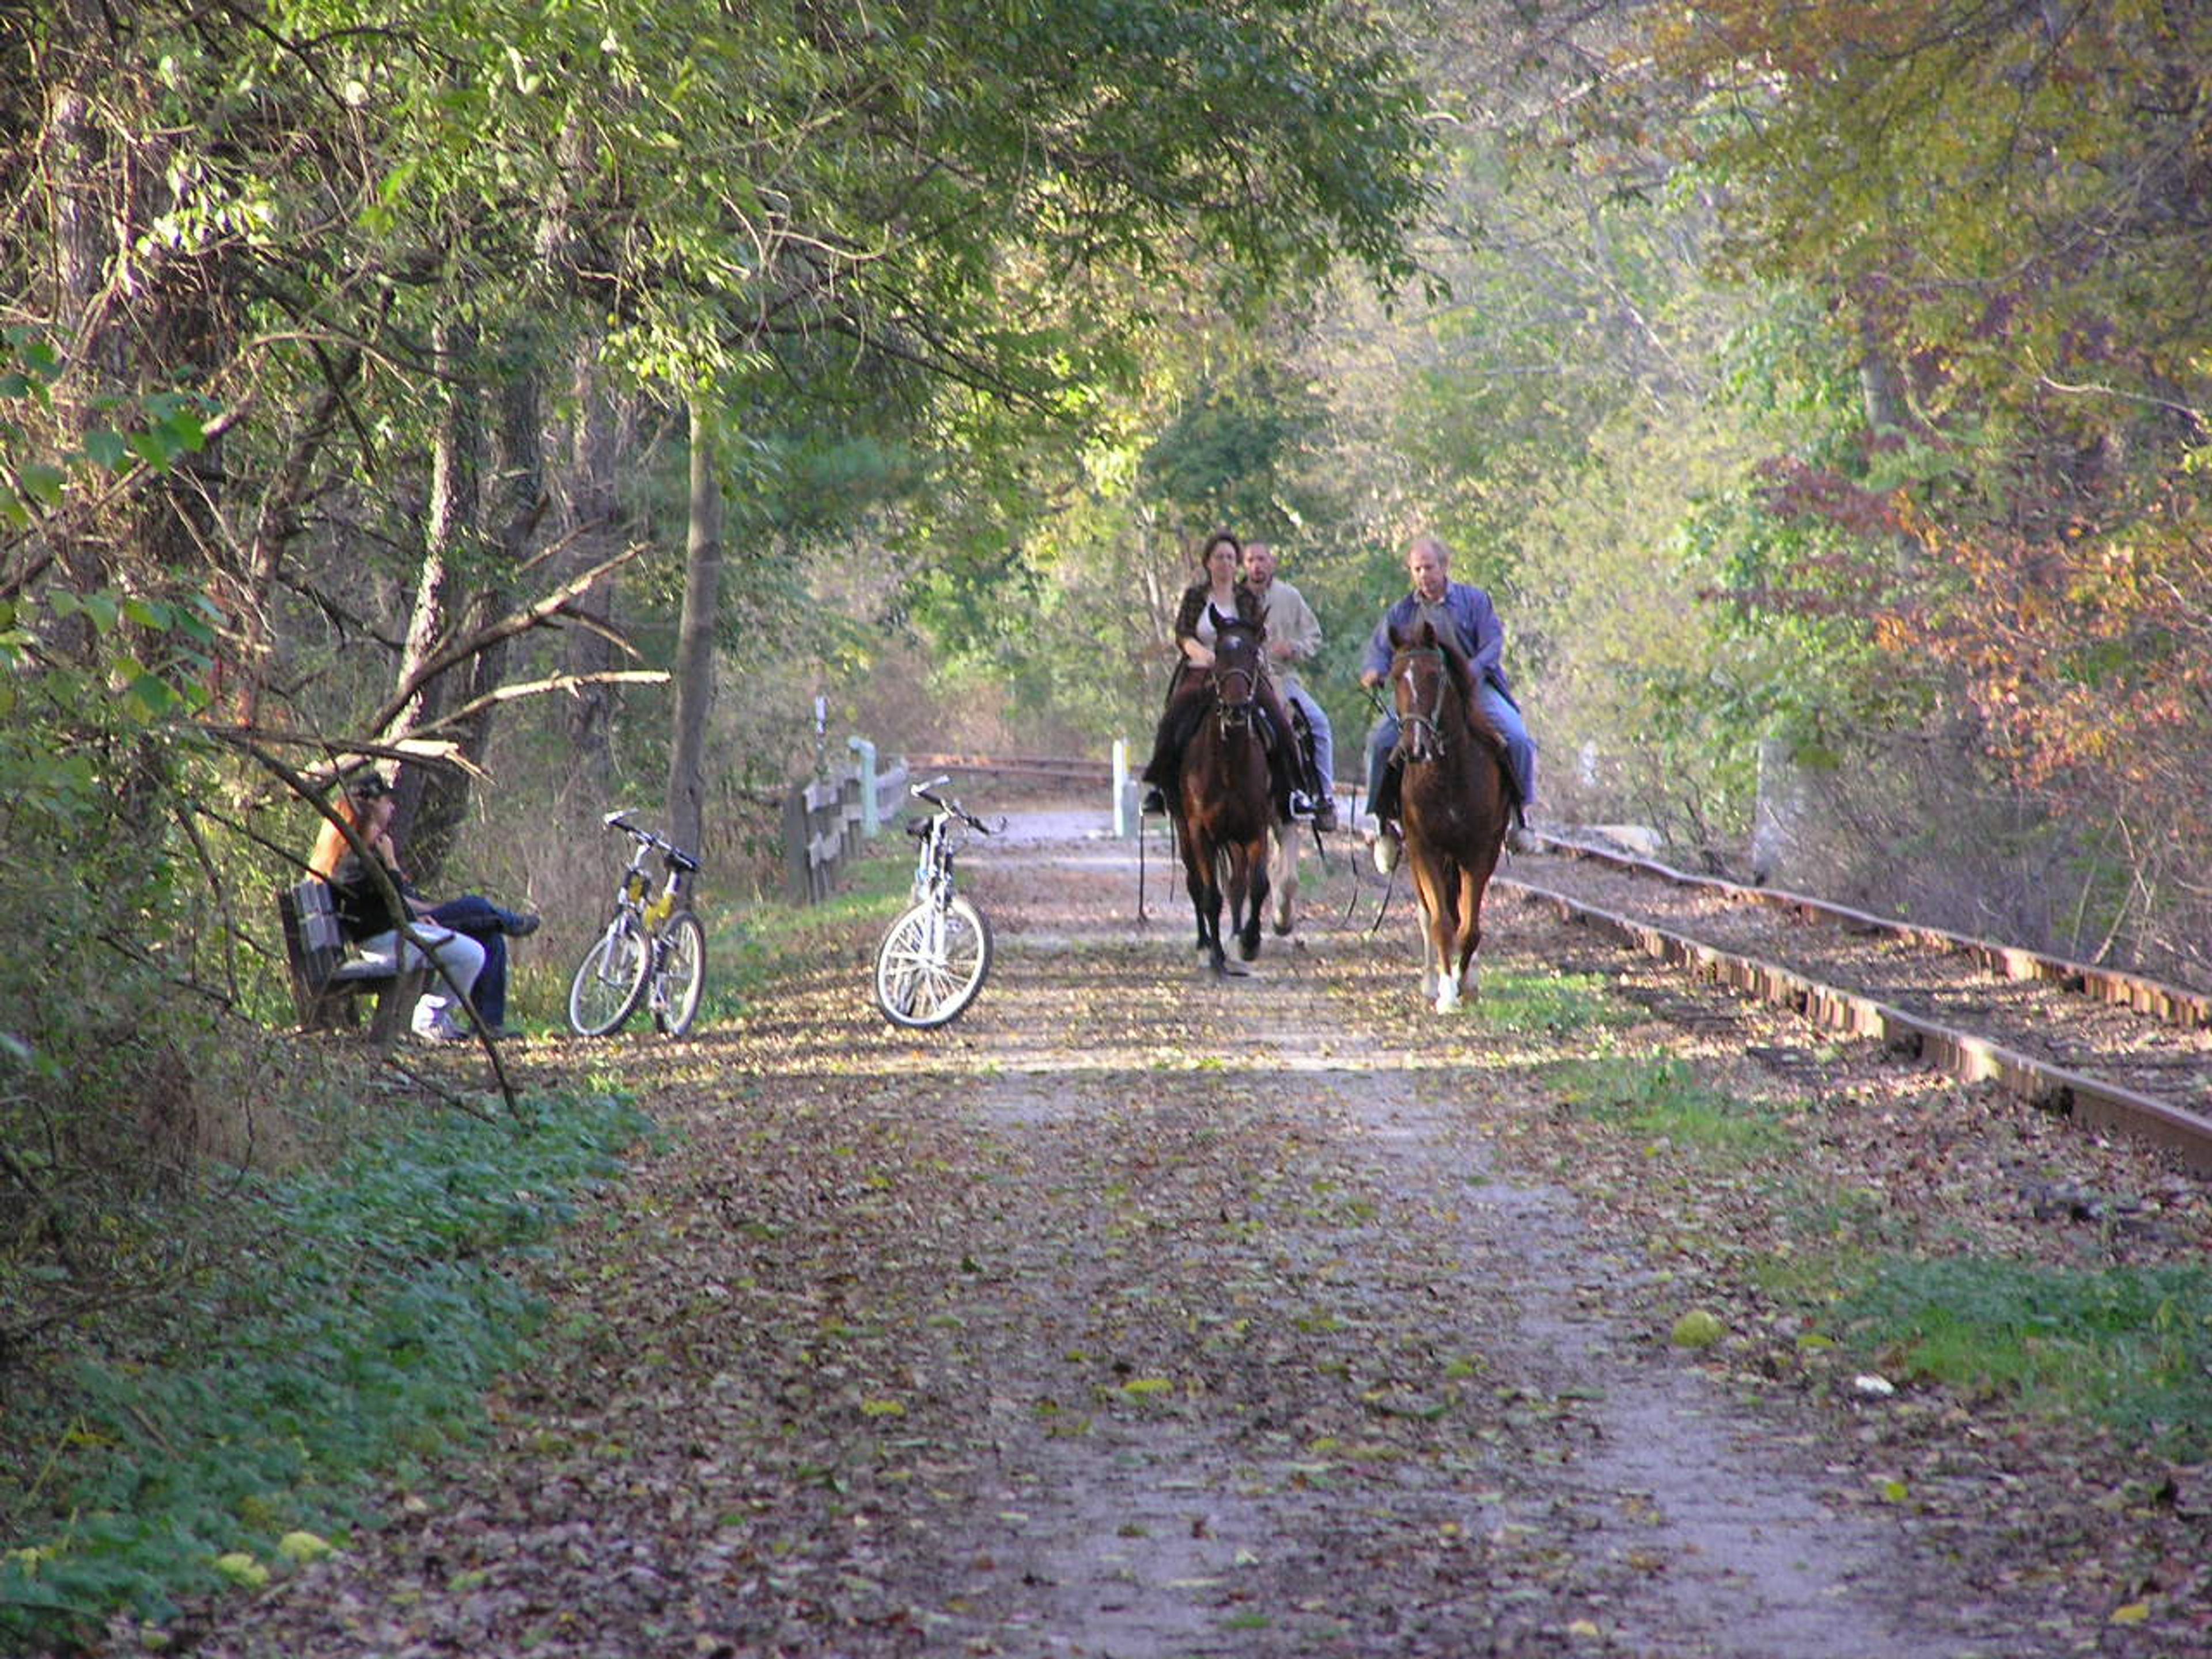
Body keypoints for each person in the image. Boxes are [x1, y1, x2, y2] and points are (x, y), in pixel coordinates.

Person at [1358, 533, 1539, 872]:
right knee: (1379, 743)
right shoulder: (1401, 612)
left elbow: (1492, 644)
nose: (1423, 575)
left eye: (1429, 567)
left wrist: (1470, 671)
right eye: (1417, 569)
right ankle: (1384, 826)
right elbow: (1381, 650)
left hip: (1474, 688)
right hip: (1423, 695)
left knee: (1516, 737)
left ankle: (1520, 817)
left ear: (1445, 567)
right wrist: (1374, 671)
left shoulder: (1475, 601)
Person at [308, 772, 537, 1040]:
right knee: (478, 914)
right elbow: (389, 901)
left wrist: (418, 913)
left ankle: (487, 1023)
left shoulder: (366, 851)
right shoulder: (360, 860)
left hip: (398, 931)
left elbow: (388, 902)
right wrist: (392, 865)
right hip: (388, 941)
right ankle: (431, 1017)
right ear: (371, 808)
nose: (393, 807)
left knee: (490, 935)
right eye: (387, 801)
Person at [1138, 530, 1302, 819]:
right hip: (1202, 669)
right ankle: (1160, 788)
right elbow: (1184, 635)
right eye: (1219, 557)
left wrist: (1241, 661)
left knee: (1278, 721)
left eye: (1230, 558)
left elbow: (1257, 635)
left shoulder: (1247, 598)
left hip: (1241, 672)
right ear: (1208, 562)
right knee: (1173, 719)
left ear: (1236, 563)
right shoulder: (1194, 597)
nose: (1225, 563)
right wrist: (1207, 656)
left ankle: (1293, 792)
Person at [1240, 539, 1338, 832]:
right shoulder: (1234, 598)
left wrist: (1294, 648)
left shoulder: (1289, 596)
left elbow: (1314, 636)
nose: (1256, 566)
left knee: (1318, 723)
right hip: (1241, 678)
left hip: (1282, 677)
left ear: (1273, 563)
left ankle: (1321, 797)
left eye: (1262, 559)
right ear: (1243, 566)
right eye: (1250, 561)